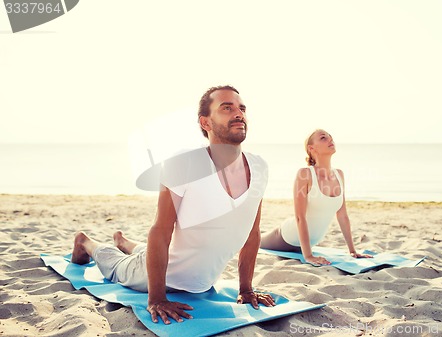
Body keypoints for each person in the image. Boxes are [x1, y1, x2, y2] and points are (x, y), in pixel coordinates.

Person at [71, 85, 275, 325]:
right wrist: (156, 298)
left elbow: (252, 232)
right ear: (205, 123)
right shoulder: (184, 163)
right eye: (226, 108)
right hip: (156, 277)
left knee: (148, 251)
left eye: (241, 108)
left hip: (197, 279)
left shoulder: (259, 166)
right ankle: (86, 242)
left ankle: (123, 241)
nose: (238, 113)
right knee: (117, 267)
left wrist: (246, 289)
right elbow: (160, 230)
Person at [260, 129, 372, 265]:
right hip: (288, 237)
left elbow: (342, 216)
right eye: (324, 138)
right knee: (254, 241)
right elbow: (299, 217)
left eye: (331, 137)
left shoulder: (339, 174)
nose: (330, 140)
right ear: (311, 148)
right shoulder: (305, 174)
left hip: (311, 242)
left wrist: (352, 251)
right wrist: (308, 256)